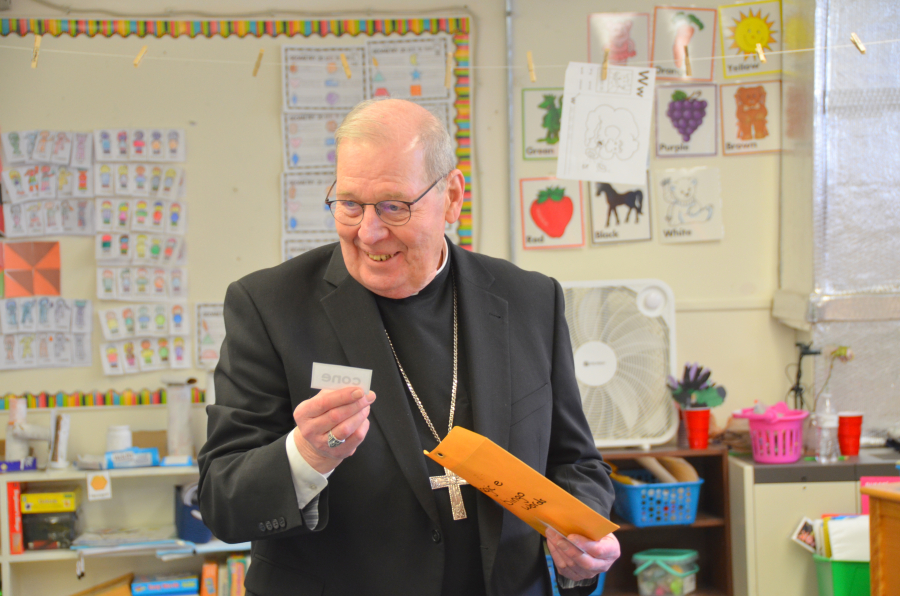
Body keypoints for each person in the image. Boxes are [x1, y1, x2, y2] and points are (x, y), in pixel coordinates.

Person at [198, 98, 619, 596]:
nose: (368, 232)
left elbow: (576, 461)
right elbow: (222, 499)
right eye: (350, 204)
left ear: (452, 197)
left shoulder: (529, 299)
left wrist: (584, 546)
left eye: (394, 206)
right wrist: (304, 456)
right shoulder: (269, 305)